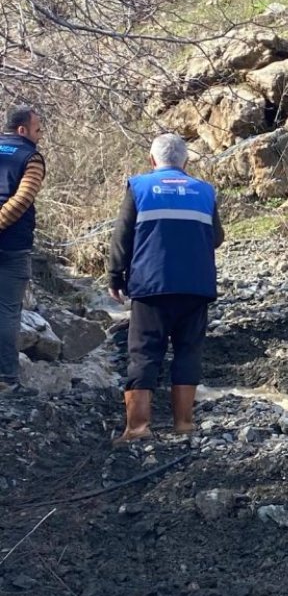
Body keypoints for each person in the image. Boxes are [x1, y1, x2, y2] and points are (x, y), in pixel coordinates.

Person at [108, 133, 224, 442]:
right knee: (188, 351)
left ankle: (138, 428)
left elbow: (122, 237)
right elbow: (216, 237)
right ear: (185, 162)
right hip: (195, 286)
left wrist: (115, 276)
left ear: (152, 160)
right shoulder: (205, 191)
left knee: (144, 353)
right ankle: (184, 424)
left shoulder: (139, 187)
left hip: (151, 285)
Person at [0, 106, 45, 396]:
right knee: (6, 311)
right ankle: (6, 379)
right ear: (22, 130)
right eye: (37, 130)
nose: (40, 135)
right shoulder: (32, 157)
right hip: (12, 245)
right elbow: (24, 197)